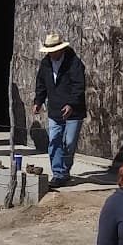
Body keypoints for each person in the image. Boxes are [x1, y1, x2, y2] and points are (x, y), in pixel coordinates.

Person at [33, 32, 87, 188]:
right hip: (55, 109)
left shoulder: (74, 63)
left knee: (69, 143)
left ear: (61, 49)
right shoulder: (46, 64)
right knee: (54, 140)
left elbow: (79, 85)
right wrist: (38, 101)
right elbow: (41, 83)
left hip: (74, 111)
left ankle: (65, 169)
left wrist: (71, 104)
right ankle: (58, 173)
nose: (51, 54)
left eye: (53, 51)